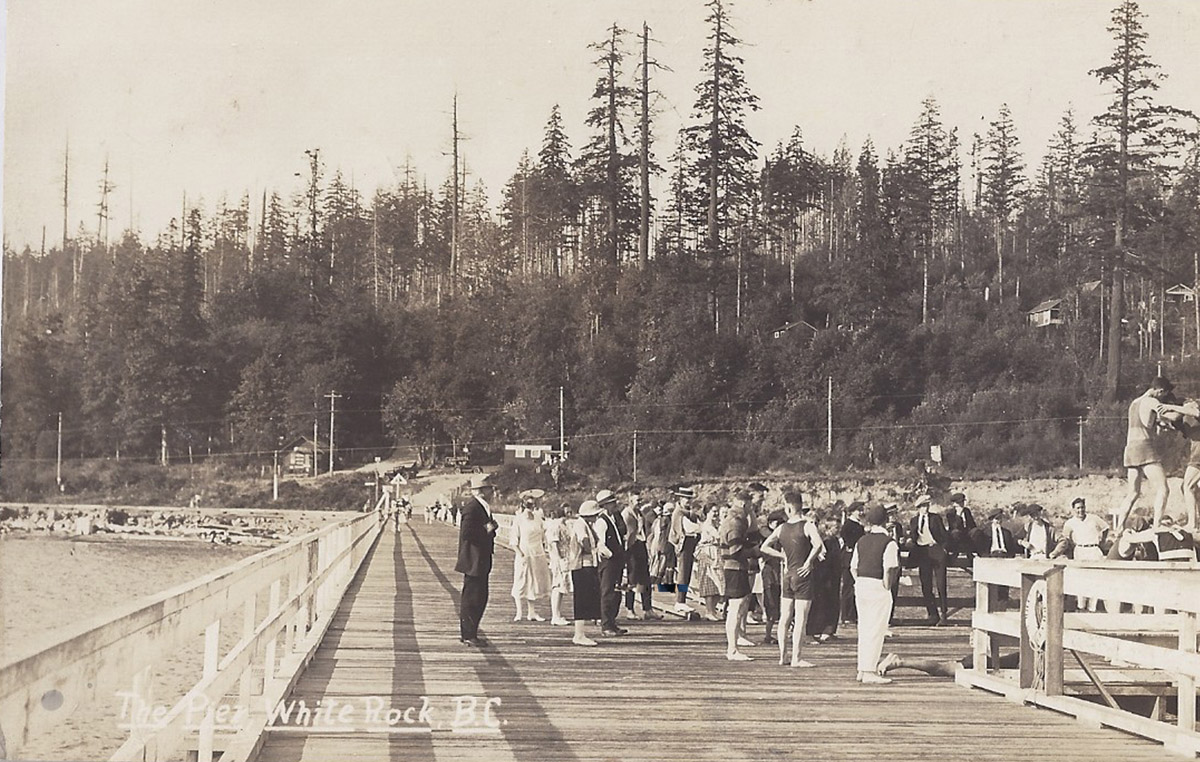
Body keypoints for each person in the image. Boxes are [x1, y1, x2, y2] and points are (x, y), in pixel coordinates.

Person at [1115, 377, 1195, 529]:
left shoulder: (1134, 403)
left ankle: (1118, 528)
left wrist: (1159, 422)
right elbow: (1173, 416)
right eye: (1164, 394)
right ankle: (1157, 526)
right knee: (1163, 489)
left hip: (1130, 449)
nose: (1164, 397)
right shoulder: (1152, 401)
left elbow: (1145, 422)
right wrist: (1185, 409)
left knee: (1133, 493)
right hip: (1144, 448)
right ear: (1160, 391)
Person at [760, 492, 823, 667]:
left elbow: (764, 547)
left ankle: (782, 656)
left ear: (788, 507)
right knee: (801, 618)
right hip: (803, 575)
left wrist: (782, 556)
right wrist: (809, 562)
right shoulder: (808, 525)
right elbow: (818, 545)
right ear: (800, 506)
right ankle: (797, 657)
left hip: (787, 575)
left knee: (784, 617)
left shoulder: (781, 528)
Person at [852, 504, 900, 684]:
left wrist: (859, 582)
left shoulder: (861, 541)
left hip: (861, 585)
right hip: (878, 586)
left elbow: (853, 567)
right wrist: (887, 586)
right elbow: (889, 569)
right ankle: (869, 670)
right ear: (886, 521)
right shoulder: (889, 542)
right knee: (876, 630)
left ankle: (862, 668)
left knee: (864, 628)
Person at [455, 474, 499, 647]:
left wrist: (491, 528)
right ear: (482, 491)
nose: (493, 492)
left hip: (479, 560)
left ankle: (470, 633)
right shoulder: (473, 508)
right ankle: (468, 635)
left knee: (479, 596)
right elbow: (467, 534)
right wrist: (487, 530)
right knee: (472, 598)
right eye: (490, 489)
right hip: (474, 560)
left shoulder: (481, 507)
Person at [720, 491, 758, 661]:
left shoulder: (734, 520)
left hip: (734, 568)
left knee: (738, 608)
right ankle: (732, 649)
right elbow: (736, 551)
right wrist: (756, 552)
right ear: (745, 504)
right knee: (735, 609)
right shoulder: (736, 522)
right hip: (735, 568)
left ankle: (733, 647)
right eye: (751, 506)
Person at [1055, 496, 1109, 612]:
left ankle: (1092, 607)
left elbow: (1106, 528)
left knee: (1095, 579)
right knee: (1080, 579)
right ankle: (1081, 606)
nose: (1081, 510)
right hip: (1080, 551)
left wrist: (1102, 541)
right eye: (1078, 508)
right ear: (1073, 509)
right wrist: (1073, 546)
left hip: (1094, 550)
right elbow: (1065, 537)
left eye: (1082, 507)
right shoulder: (1070, 523)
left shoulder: (1094, 518)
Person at [906, 494, 950, 625]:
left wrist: (944, 549)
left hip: (936, 550)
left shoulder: (935, 518)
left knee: (941, 584)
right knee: (926, 585)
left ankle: (943, 614)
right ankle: (932, 614)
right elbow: (913, 537)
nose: (925, 508)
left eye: (927, 506)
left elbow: (944, 535)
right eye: (923, 506)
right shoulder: (914, 521)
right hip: (923, 553)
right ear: (918, 508)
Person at [568, 500, 607, 646]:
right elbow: (584, 542)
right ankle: (579, 635)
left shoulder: (585, 525)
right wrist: (595, 549)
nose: (596, 517)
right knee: (582, 599)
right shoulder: (580, 525)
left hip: (587, 565)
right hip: (581, 566)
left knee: (586, 598)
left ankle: (581, 633)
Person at [509, 493, 551, 622]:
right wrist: (520, 554)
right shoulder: (519, 519)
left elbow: (544, 534)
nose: (530, 507)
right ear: (523, 505)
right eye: (528, 505)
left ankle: (532, 612)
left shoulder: (538, 518)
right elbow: (513, 540)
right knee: (521, 581)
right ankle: (519, 612)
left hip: (537, 552)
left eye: (532, 505)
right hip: (524, 552)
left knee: (534, 582)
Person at [593, 489, 628, 636]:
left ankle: (612, 622)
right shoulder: (601, 521)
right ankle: (606, 625)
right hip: (609, 562)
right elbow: (600, 543)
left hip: (618, 560)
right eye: (612, 503)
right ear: (605, 505)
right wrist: (611, 555)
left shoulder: (614, 517)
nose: (615, 505)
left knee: (617, 591)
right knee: (607, 592)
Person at [622, 490, 660, 620]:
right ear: (630, 500)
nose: (639, 503)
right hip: (631, 548)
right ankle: (629, 609)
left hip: (641, 545)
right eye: (637, 500)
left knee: (645, 579)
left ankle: (647, 609)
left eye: (640, 500)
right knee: (632, 580)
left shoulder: (640, 513)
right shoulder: (626, 514)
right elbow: (627, 534)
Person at [806, 516, 842, 643]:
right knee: (823, 604)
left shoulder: (835, 541)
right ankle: (821, 630)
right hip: (825, 577)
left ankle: (829, 630)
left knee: (832, 603)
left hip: (834, 576)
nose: (838, 530)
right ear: (828, 528)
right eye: (836, 527)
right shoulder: (826, 542)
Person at [668, 486, 701, 613]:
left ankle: (682, 600)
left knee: (686, 573)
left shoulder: (688, 511)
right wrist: (702, 527)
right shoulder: (679, 512)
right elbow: (689, 528)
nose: (688, 501)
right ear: (680, 499)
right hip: (683, 544)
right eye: (686, 498)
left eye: (689, 499)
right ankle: (680, 601)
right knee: (683, 573)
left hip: (690, 543)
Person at [758, 508, 787, 645]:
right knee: (771, 603)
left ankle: (781, 632)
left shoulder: (780, 535)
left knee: (782, 604)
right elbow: (764, 533)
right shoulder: (766, 533)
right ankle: (768, 634)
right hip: (770, 572)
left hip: (779, 572)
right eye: (778, 523)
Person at [693, 504, 726, 621]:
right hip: (708, 553)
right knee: (709, 583)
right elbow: (718, 536)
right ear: (707, 513)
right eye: (713, 512)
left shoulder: (716, 525)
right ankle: (709, 610)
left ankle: (713, 610)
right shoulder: (707, 526)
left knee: (719, 583)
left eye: (717, 512)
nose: (716, 514)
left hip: (716, 552)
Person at [1121, 513, 1198, 561]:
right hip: (1187, 570)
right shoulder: (1188, 533)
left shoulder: (1156, 533)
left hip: (1166, 570)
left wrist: (1126, 532)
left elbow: (1131, 539)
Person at [543, 503, 573, 626]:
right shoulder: (555, 526)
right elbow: (553, 544)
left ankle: (557, 614)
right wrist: (559, 560)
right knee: (557, 586)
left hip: (566, 558)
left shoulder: (565, 525)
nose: (570, 515)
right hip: (559, 560)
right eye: (567, 512)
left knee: (561, 587)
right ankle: (555, 616)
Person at [838, 502, 866, 625]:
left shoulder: (858, 525)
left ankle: (852, 614)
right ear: (853, 511)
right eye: (859, 510)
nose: (861, 513)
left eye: (862, 510)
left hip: (856, 557)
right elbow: (848, 540)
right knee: (848, 587)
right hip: (849, 559)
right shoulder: (849, 525)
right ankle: (846, 615)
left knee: (854, 587)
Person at [883, 503, 906, 623]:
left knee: (894, 589)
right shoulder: (882, 527)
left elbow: (900, 543)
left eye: (894, 514)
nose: (893, 517)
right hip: (884, 560)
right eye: (891, 515)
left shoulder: (898, 527)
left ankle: (890, 616)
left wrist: (902, 541)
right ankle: (884, 616)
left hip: (896, 560)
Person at [944, 492, 976, 566]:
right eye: (960, 503)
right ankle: (955, 554)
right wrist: (959, 515)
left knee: (976, 532)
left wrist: (973, 530)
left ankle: (974, 554)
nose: (962, 504)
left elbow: (972, 524)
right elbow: (954, 526)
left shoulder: (967, 511)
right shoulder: (951, 513)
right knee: (956, 533)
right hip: (956, 534)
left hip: (966, 533)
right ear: (955, 504)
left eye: (962, 502)